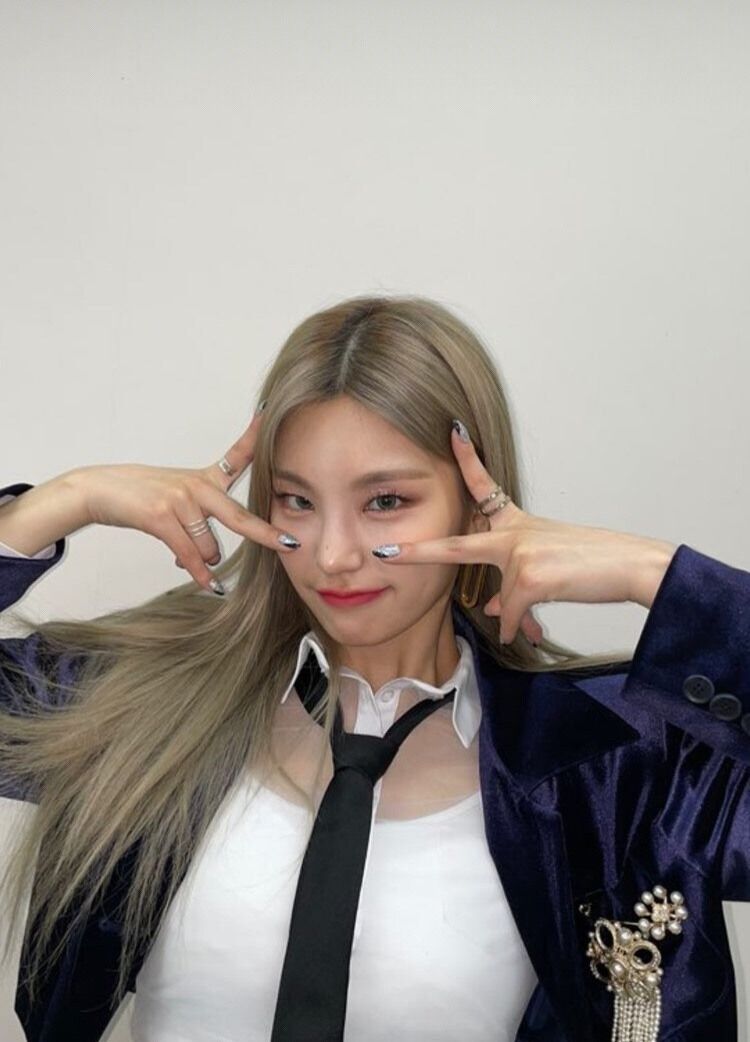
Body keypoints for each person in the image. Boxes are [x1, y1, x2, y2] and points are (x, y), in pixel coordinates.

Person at [0, 293, 747, 1042]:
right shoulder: (144, 699)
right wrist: (62, 502)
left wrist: (656, 575)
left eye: (385, 500)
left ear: (475, 503)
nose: (333, 555)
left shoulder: (614, 763)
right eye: (296, 500)